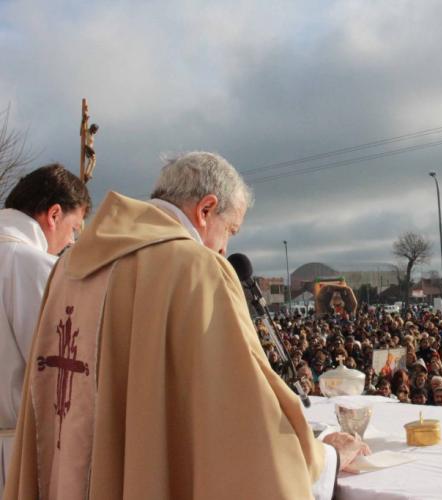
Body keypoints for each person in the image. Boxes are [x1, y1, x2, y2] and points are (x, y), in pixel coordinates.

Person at [4, 153, 368, 500]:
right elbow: (248, 418)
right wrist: (325, 458)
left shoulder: (68, 270)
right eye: (231, 230)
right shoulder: (196, 269)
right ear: (205, 209)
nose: (224, 250)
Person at [0, 164, 90, 495]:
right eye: (75, 228)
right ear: (54, 214)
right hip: (16, 454)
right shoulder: (37, 267)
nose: (71, 240)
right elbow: (55, 375)